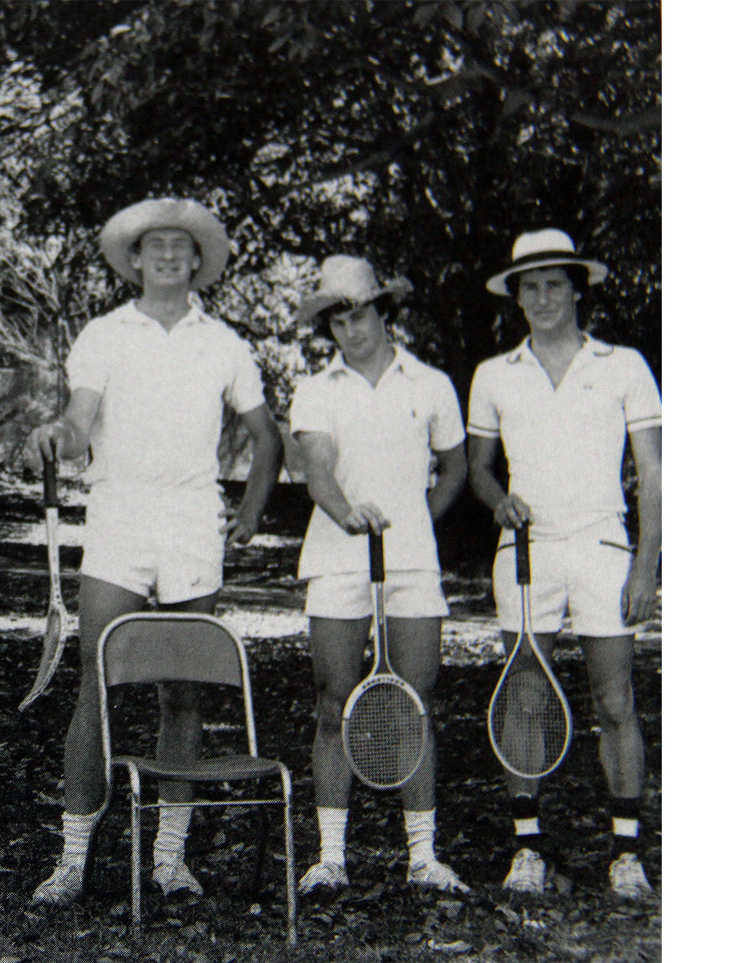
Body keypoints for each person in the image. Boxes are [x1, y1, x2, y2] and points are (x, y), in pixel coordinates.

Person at [23, 198, 282, 906]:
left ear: (197, 260)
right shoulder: (104, 334)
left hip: (192, 523)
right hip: (119, 517)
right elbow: (78, 424)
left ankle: (170, 859)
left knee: (183, 690)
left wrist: (250, 514)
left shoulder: (224, 343)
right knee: (96, 682)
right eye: (154, 245)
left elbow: (266, 436)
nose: (168, 255)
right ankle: (72, 860)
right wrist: (56, 437)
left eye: (180, 245)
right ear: (134, 259)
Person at [468, 229, 661, 899]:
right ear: (517, 297)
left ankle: (626, 852)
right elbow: (477, 468)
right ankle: (527, 847)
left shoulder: (624, 364)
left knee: (615, 698)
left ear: (577, 290)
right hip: (527, 549)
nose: (544, 296)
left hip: (603, 545)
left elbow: (652, 470)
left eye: (555, 283)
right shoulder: (494, 373)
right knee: (524, 697)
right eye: (531, 286)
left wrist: (646, 564)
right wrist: (499, 501)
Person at [288, 256, 470, 896]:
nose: (351, 329)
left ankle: (423, 857)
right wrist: (348, 514)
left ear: (384, 312)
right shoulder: (316, 389)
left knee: (412, 703)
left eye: (360, 314)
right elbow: (318, 470)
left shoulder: (432, 384)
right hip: (337, 560)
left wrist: (416, 521)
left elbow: (455, 467)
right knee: (333, 703)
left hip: (413, 565)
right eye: (338, 320)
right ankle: (331, 858)